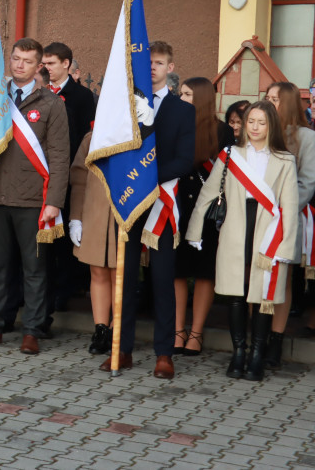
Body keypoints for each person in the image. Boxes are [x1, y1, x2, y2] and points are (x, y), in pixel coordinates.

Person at [186, 100, 298, 381]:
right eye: (251, 122)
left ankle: (257, 355)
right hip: (236, 227)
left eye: (262, 122)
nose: (256, 127)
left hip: (269, 231)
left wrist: (286, 248)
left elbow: (290, 207)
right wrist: (195, 232)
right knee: (236, 293)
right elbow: (207, 195)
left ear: (271, 125)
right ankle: (239, 352)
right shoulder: (229, 155)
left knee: (262, 296)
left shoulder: (285, 160)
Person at [0, 38, 69, 356]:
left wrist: (54, 200)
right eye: (15, 58)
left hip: (33, 200)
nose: (19, 64)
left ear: (39, 66)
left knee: (34, 268)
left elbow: (59, 156)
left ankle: (32, 329)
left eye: (27, 60)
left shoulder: (51, 104)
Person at [104, 41, 195, 379]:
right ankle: (122, 348)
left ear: (170, 68)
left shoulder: (182, 110)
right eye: (149, 63)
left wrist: (149, 179)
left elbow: (185, 160)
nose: (153, 68)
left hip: (163, 203)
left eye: (159, 63)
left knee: (162, 279)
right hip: (129, 199)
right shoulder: (126, 107)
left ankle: (163, 353)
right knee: (124, 279)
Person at [172, 78, 235, 357]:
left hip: (207, 210)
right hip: (176, 206)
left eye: (186, 94)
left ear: (200, 97)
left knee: (204, 272)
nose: (181, 98)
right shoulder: (174, 123)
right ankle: (177, 330)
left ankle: (196, 332)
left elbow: (226, 174)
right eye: (180, 93)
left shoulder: (222, 131)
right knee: (177, 271)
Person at [42, 42, 96, 320]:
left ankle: (66, 289)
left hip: (70, 173)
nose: (46, 68)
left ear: (66, 64)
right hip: (42, 176)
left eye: (51, 63)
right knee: (44, 241)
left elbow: (84, 139)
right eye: (44, 63)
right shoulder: (40, 94)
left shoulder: (82, 97)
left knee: (66, 236)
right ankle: (45, 294)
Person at [265, 81, 315, 367]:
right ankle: (257, 336)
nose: (271, 103)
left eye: (277, 99)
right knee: (256, 279)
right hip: (258, 219)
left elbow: (306, 183)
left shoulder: (306, 138)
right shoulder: (259, 129)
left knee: (281, 281)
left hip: (285, 219)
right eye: (268, 97)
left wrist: (279, 208)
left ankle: (276, 340)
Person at [69, 131, 119, 354]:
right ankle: (100, 330)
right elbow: (79, 179)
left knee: (119, 274)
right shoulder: (92, 137)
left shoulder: (139, 137)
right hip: (94, 214)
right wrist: (75, 218)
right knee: (97, 272)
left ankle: (116, 329)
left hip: (123, 217)